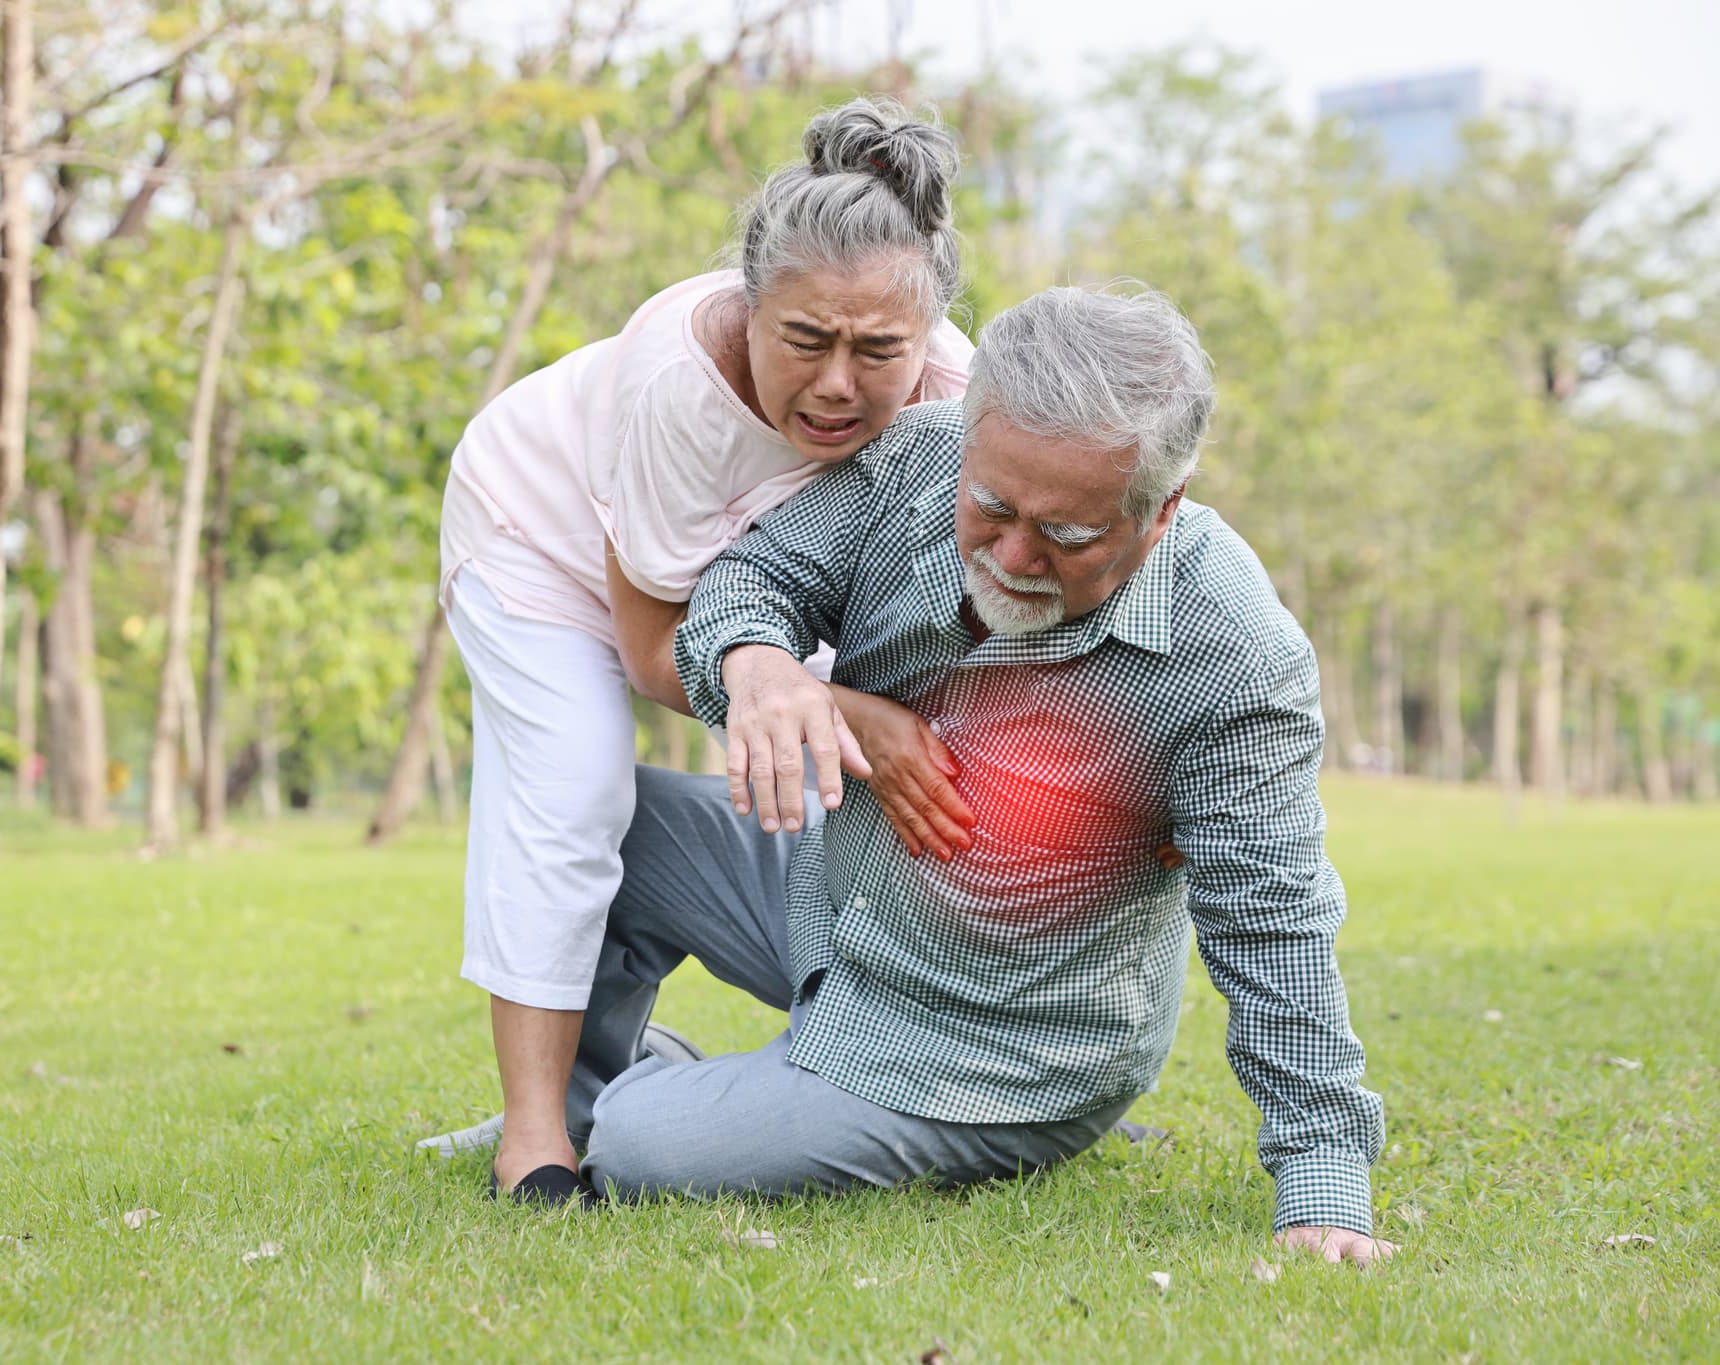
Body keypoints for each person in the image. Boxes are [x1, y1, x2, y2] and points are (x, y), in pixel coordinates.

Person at [561, 284, 1396, 1267]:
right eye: (991, 505)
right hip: (831, 896)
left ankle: (642, 1106)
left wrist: (1322, 1183)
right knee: (597, 817)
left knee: (637, 1145)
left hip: (984, 1053)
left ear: (1159, 512)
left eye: (1067, 535)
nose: (1009, 555)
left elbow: (1272, 918)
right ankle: (546, 1122)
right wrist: (762, 667)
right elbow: (751, 583)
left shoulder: (1236, 662)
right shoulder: (909, 460)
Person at [436, 98, 978, 1204]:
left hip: (735, 605)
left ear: (923, 340)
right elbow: (647, 653)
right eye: (804, 342)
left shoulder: (955, 398)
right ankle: (534, 1140)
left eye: (876, 351)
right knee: (575, 787)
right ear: (749, 304)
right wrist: (844, 709)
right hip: (538, 543)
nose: (837, 385)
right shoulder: (676, 387)